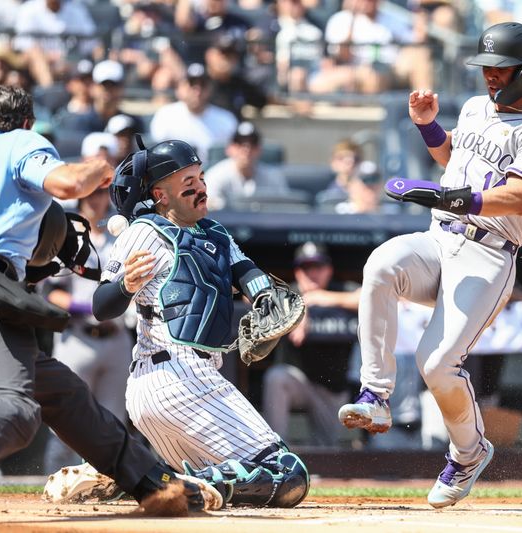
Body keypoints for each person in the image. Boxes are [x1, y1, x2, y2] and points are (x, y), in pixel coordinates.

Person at [0, 85, 205, 523]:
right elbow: (67, 183)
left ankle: (149, 480)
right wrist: (99, 167)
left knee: (58, 390)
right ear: (26, 121)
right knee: (16, 408)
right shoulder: (22, 142)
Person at [337, 22, 522, 508]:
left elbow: (520, 195)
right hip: (440, 238)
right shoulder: (477, 108)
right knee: (380, 266)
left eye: (498, 69)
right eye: (485, 68)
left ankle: (469, 452)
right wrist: (427, 126)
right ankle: (375, 396)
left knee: (437, 364)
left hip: (488, 253)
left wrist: (458, 198)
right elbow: (451, 156)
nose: (489, 78)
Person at [95, 137, 309, 508]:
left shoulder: (216, 233)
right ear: (161, 195)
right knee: (288, 474)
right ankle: (162, 478)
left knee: (201, 494)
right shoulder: (143, 232)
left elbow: (246, 273)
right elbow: (101, 305)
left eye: (201, 177)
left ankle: (132, 478)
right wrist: (126, 285)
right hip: (176, 375)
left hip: (179, 383)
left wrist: (263, 298)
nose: (200, 188)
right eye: (188, 182)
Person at [42, 187, 133, 474]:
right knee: (66, 421)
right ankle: (53, 481)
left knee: (114, 422)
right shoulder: (68, 236)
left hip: (116, 337)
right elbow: (51, 294)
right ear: (81, 197)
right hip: (78, 338)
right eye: (91, 193)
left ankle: (109, 484)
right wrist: (88, 306)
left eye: (102, 193)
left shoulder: (120, 236)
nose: (97, 199)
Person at [263, 242, 360, 447]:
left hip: (331, 389)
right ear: (298, 272)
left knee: (327, 450)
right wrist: (300, 305)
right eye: (306, 268)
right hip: (298, 382)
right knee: (276, 377)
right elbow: (253, 299)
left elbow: (368, 297)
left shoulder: (340, 289)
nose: (312, 273)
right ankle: (275, 450)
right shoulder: (289, 291)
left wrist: (321, 298)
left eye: (318, 267)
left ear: (329, 269)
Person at [204, 121, 288, 210]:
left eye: (252, 144)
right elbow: (207, 209)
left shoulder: (273, 177)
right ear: (229, 149)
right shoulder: (216, 175)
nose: (246, 149)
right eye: (240, 144)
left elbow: (285, 208)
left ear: (259, 149)